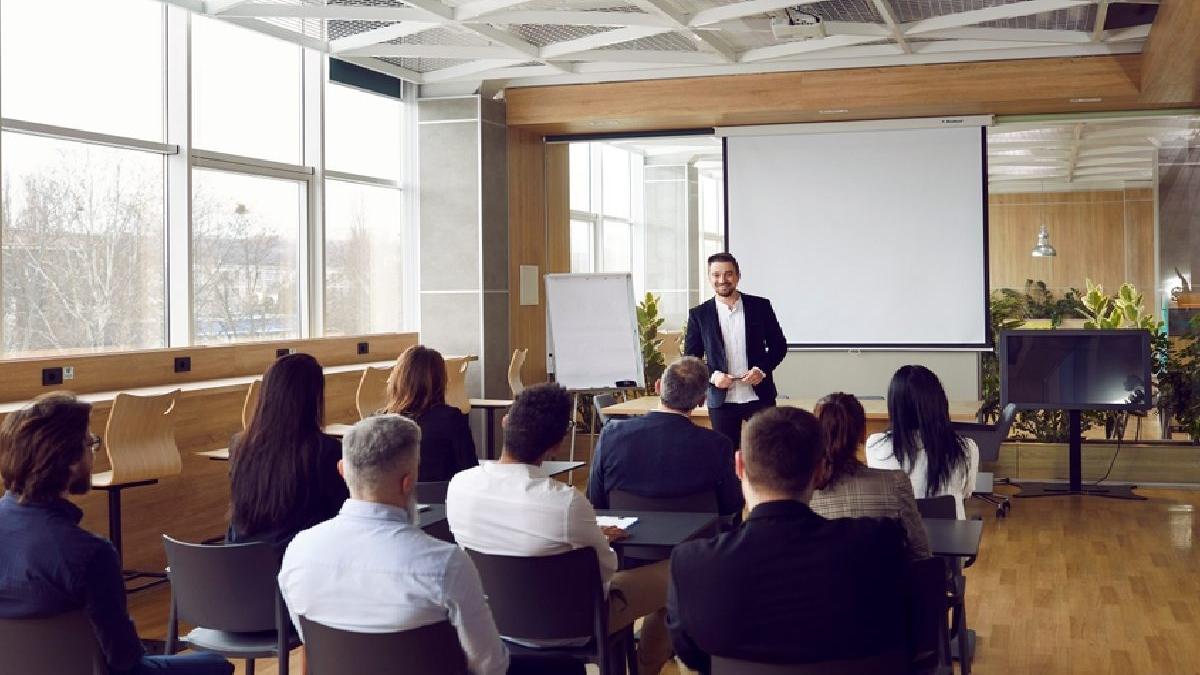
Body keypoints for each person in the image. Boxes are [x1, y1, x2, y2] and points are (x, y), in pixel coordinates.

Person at [0, 393, 234, 675]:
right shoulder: (91, 554)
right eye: (90, 443)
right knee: (215, 665)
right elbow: (125, 660)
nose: (93, 451)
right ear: (71, 460)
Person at [446, 383, 672, 675]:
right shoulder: (565, 504)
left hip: (494, 622)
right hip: (575, 624)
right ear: (557, 444)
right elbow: (606, 570)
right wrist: (583, 537)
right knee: (677, 573)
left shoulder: (460, 487)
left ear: (506, 422)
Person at [667, 407, 910, 672]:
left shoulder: (692, 564)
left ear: (739, 466)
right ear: (820, 470)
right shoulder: (880, 543)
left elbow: (693, 655)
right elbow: (903, 635)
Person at [278, 415, 508, 675]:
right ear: (408, 481)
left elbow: (312, 642)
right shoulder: (445, 565)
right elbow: (490, 665)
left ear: (342, 470)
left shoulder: (299, 552)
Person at [587, 356, 742, 517]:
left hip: (627, 539)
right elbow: (731, 506)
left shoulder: (611, 436)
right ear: (702, 400)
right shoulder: (717, 445)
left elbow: (595, 500)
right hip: (700, 539)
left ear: (658, 386)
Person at [227, 353, 348, 552]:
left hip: (241, 567)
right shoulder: (326, 451)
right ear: (312, 399)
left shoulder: (239, 446)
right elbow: (341, 513)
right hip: (300, 566)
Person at [810, 392, 931, 560]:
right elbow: (921, 552)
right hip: (884, 584)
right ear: (863, 432)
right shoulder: (895, 483)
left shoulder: (802, 493)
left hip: (821, 586)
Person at [684, 252, 787, 447]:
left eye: (728, 274)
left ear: (738, 276)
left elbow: (779, 346)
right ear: (709, 278)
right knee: (727, 456)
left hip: (759, 396)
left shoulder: (760, 306)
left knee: (768, 453)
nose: (722, 280)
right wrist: (713, 377)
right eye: (716, 275)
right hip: (722, 401)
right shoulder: (699, 314)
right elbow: (691, 358)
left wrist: (761, 370)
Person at [866, 365, 980, 519]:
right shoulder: (966, 448)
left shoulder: (875, 446)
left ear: (894, 406)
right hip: (950, 540)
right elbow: (966, 493)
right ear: (939, 403)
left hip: (897, 540)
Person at [382, 345, 478, 482]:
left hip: (393, 501)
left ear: (398, 378)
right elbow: (469, 471)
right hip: (441, 501)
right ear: (441, 380)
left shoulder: (378, 422)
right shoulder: (452, 419)